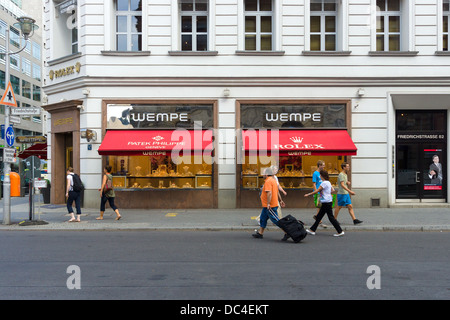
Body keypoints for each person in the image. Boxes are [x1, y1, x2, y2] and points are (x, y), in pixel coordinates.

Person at [304, 170, 344, 237]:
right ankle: (312, 230)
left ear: (322, 176)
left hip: (326, 202)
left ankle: (340, 231)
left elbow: (317, 190)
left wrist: (309, 194)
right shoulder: (328, 182)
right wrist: (327, 193)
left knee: (331, 218)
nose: (319, 176)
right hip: (328, 201)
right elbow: (333, 190)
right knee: (319, 217)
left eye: (320, 175)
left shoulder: (324, 183)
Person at [252, 167, 286, 239]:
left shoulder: (268, 181)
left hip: (270, 206)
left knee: (276, 220)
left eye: (263, 173)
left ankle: (287, 232)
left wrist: (268, 203)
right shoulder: (273, 180)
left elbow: (269, 193)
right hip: (267, 205)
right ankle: (260, 233)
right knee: (263, 218)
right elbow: (276, 191)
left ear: (267, 174)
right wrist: (281, 200)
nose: (262, 175)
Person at [312, 160, 327, 228]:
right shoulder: (315, 173)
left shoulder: (322, 173)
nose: (324, 166)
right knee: (319, 206)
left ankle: (317, 217)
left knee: (320, 206)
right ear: (319, 165)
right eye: (323, 165)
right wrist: (316, 192)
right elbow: (314, 184)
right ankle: (318, 218)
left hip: (322, 191)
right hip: (318, 192)